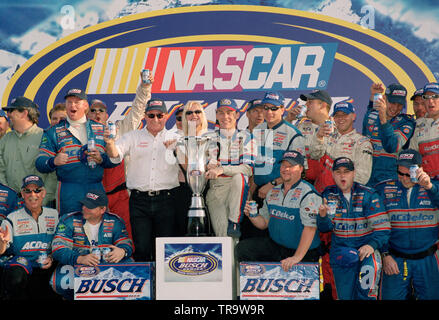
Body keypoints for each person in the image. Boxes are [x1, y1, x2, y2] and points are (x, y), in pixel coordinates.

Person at [105, 98, 180, 261]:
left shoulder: (176, 137)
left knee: (166, 250)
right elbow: (115, 154)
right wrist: (110, 142)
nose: (155, 119)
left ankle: (163, 287)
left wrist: (177, 151)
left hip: (167, 199)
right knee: (141, 247)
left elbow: (190, 167)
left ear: (166, 116)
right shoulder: (133, 136)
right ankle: (145, 285)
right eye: (151, 115)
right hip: (139, 200)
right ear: (144, 116)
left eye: (160, 115)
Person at [87, 74, 154, 240]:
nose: (97, 113)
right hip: (91, 194)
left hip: (119, 193)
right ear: (86, 115)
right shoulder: (80, 133)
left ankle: (127, 260)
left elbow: (138, 111)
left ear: (107, 115)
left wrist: (145, 88)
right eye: (92, 110)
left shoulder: (119, 129)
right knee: (92, 234)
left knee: (124, 233)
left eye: (100, 111)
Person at [317, 157, 390, 300]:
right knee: (344, 297)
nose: (342, 175)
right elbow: (324, 228)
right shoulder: (327, 194)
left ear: (354, 173)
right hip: (341, 252)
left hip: (366, 252)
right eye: (338, 172)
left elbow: (383, 228)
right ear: (332, 174)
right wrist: (322, 217)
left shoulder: (368, 194)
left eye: (346, 171)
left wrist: (371, 245)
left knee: (367, 295)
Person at [235, 151, 322, 272]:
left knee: (297, 284)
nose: (286, 169)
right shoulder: (272, 192)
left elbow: (310, 228)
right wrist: (252, 215)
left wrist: (296, 257)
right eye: (283, 165)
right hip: (277, 246)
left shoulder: (308, 193)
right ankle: (256, 285)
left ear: (301, 169)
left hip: (304, 251)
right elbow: (264, 223)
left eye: (291, 166)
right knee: (243, 249)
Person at [36, 89, 118, 215]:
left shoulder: (101, 129)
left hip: (95, 187)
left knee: (97, 229)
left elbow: (114, 161)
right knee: (69, 229)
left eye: (77, 102)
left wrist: (102, 159)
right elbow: (40, 163)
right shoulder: (53, 131)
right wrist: (53, 161)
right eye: (69, 102)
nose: (72, 105)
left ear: (85, 105)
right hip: (68, 189)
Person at [375, 149, 439, 300]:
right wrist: (385, 254)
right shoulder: (384, 189)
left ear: (419, 169)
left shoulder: (433, 186)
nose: (404, 178)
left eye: (408, 174)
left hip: (427, 259)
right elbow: (377, 225)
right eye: (400, 173)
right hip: (395, 259)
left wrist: (430, 187)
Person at [50, 189, 133, 300]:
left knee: (133, 271)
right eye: (84, 204)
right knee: (58, 282)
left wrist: (123, 251)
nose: (84, 208)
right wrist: (79, 259)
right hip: (76, 264)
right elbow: (58, 249)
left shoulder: (115, 221)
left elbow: (126, 243)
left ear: (102, 209)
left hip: (106, 266)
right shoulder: (68, 220)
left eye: (90, 206)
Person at [0, 175, 59, 300]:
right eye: (28, 191)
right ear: (22, 194)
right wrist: (2, 241)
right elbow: (1, 250)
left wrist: (52, 257)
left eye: (37, 190)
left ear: (43, 193)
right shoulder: (12, 218)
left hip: (47, 266)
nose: (33, 195)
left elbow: (64, 244)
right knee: (15, 278)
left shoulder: (54, 215)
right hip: (23, 268)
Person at [203, 98, 255, 238]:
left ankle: (234, 221)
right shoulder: (207, 137)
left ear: (237, 115)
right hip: (216, 189)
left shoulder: (246, 136)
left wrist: (222, 169)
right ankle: (228, 259)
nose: (225, 117)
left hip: (237, 189)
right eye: (221, 113)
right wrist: (206, 166)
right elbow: (199, 169)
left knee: (234, 237)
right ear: (216, 114)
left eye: (229, 112)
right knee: (223, 238)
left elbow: (247, 168)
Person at [0, 97, 56, 207]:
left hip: (38, 206)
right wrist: (8, 196)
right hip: (11, 205)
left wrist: (41, 201)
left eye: (11, 111)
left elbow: (53, 175)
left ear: (24, 113)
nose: (9, 115)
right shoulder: (5, 139)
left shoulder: (45, 137)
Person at [310, 101, 373, 190]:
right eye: (337, 116)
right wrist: (319, 137)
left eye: (344, 115)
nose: (340, 118)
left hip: (343, 195)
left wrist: (341, 191)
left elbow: (362, 177)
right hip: (319, 192)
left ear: (353, 117)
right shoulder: (326, 135)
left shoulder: (362, 143)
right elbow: (314, 155)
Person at [362, 83, 415, 187]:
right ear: (384, 98)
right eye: (392, 102)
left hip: (390, 184)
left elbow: (392, 146)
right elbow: (370, 112)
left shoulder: (406, 122)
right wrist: (373, 97)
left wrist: (383, 120)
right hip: (367, 181)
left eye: (399, 104)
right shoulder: (371, 115)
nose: (395, 108)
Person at [174, 101, 209, 236]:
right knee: (183, 231)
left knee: (207, 231)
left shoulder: (211, 137)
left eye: (197, 111)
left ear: (203, 115)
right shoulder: (177, 139)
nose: (193, 115)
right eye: (189, 112)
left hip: (206, 189)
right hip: (183, 190)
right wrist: (177, 150)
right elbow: (188, 168)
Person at [409, 82, 439, 179]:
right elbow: (412, 157)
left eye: (435, 97)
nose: (430, 101)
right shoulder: (417, 126)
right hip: (427, 185)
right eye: (426, 98)